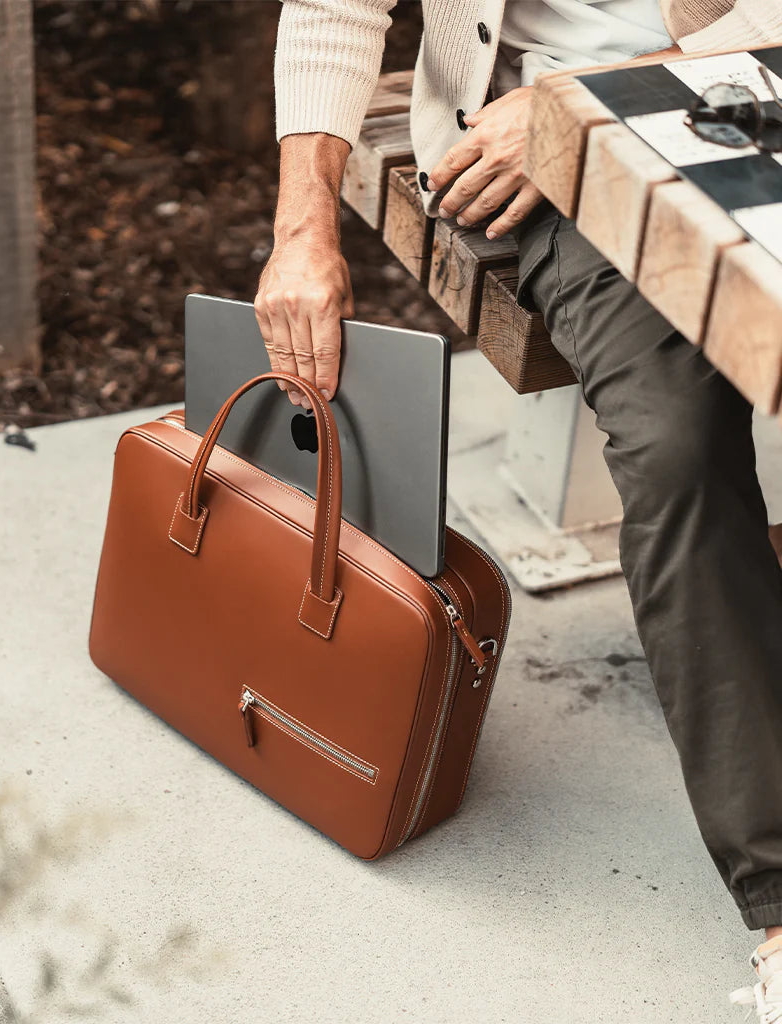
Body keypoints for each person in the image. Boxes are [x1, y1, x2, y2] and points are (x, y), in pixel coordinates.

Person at [254, 0, 782, 1017]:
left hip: (726, 84)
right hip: (542, 158)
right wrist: (299, 235)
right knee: (674, 446)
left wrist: (582, 100)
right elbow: (335, 7)